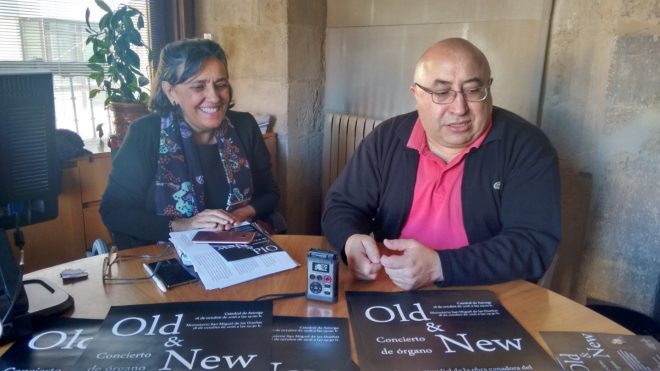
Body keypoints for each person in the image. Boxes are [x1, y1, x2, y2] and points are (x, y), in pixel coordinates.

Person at [321, 38, 560, 289]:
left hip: (487, 294)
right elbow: (343, 205)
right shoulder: (387, 138)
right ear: (416, 95)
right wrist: (350, 240)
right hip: (392, 286)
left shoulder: (526, 147)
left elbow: (532, 243)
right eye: (442, 93)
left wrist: (440, 266)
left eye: (472, 90)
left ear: (488, 88)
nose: (459, 108)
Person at [100, 39, 279, 248]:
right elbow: (113, 211)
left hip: (235, 247)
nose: (214, 97)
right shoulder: (146, 133)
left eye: (220, 85)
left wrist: (237, 215)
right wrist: (184, 224)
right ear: (170, 92)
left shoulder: (244, 126)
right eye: (198, 86)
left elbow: (270, 194)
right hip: (163, 257)